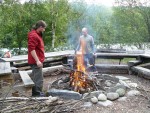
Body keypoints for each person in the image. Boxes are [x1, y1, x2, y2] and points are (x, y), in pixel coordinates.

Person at [28, 20, 47, 97]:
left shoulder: (37, 34)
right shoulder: (34, 35)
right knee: (38, 78)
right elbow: (31, 49)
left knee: (37, 77)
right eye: (44, 28)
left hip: (37, 60)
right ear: (40, 27)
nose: (44, 30)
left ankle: (36, 92)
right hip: (36, 61)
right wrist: (37, 61)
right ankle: (37, 94)